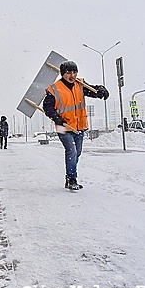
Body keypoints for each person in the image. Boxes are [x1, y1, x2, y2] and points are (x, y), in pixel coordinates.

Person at [43, 60, 109, 192]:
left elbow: (93, 91)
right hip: (63, 126)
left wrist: (100, 90)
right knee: (71, 150)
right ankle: (72, 178)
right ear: (63, 74)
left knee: (77, 152)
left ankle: (69, 176)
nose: (72, 75)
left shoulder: (80, 84)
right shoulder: (54, 89)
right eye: (69, 73)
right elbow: (47, 107)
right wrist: (56, 117)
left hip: (79, 126)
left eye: (74, 72)